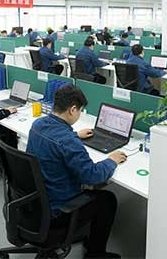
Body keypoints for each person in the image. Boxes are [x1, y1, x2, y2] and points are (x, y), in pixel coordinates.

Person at [26, 84, 126, 259]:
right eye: (80, 110)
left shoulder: (38, 124)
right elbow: (93, 176)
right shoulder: (68, 142)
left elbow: (58, 140)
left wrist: (74, 135)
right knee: (107, 199)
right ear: (72, 110)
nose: (79, 114)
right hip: (58, 209)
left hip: (34, 202)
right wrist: (112, 160)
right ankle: (95, 253)